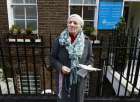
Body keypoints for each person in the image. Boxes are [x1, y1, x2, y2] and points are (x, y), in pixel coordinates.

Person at [50, 14, 93, 102]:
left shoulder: (87, 41)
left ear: (80, 26)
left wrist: (89, 66)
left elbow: (90, 58)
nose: (72, 24)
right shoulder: (59, 41)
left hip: (79, 78)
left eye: (75, 23)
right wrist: (61, 67)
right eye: (70, 22)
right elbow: (52, 58)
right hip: (64, 78)